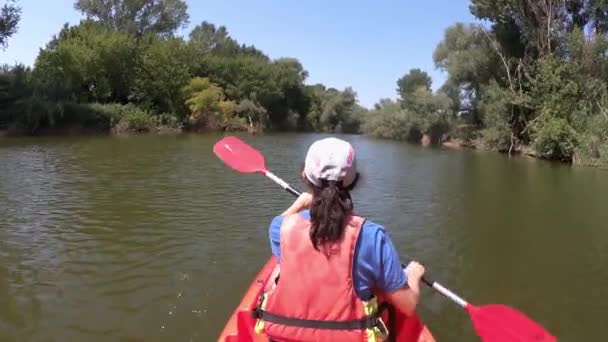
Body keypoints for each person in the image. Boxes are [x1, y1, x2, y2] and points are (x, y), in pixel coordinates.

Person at [253, 137, 426, 342]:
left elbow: (281, 221)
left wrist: (299, 205)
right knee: (382, 294)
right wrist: (413, 275)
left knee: (277, 272)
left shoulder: (279, 228)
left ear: (304, 176)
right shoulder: (372, 236)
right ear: (353, 181)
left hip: (285, 337)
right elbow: (408, 305)